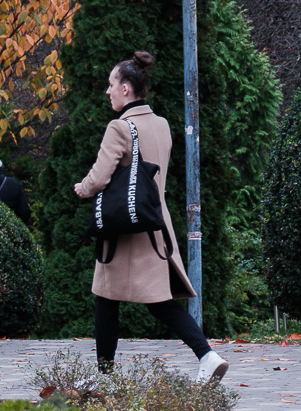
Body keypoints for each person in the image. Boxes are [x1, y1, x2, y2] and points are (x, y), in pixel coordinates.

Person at [74, 50, 227, 383]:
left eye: (111, 84)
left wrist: (82, 189)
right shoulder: (161, 125)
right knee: (158, 300)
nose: (108, 91)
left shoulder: (120, 128)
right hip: (155, 227)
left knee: (105, 295)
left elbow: (100, 177)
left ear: (126, 88)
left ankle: (104, 375)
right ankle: (208, 355)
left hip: (124, 231)